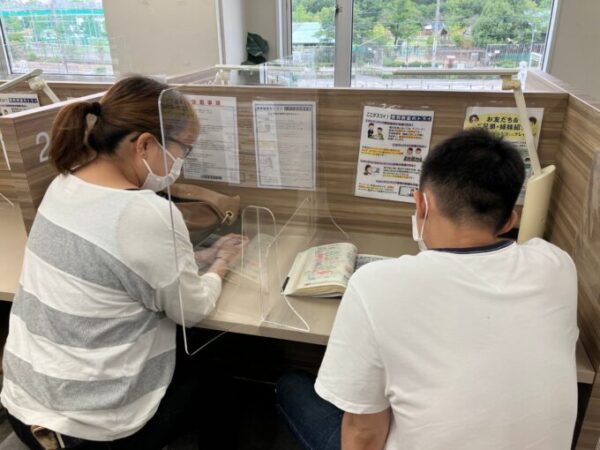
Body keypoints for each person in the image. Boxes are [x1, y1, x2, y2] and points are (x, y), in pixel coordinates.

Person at [277, 128, 578, 450]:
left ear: (421, 205)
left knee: (292, 385)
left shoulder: (375, 285)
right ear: (509, 222)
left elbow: (364, 435)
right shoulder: (558, 266)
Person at [1, 75, 244, 449]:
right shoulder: (144, 212)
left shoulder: (64, 183)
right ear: (144, 144)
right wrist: (222, 263)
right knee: (219, 355)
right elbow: (192, 309)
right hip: (89, 433)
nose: (181, 162)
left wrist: (197, 257)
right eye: (183, 149)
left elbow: (112, 265)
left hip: (22, 407)